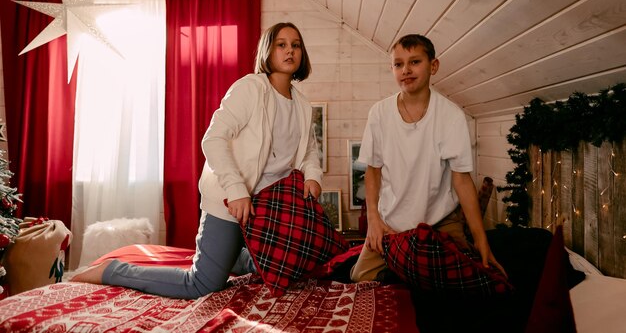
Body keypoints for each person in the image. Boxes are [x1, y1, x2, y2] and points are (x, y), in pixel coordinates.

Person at [71, 22, 324, 298]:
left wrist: (312, 176)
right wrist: (236, 189)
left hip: (269, 210)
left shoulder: (301, 104)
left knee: (292, 266)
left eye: (296, 45)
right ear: (268, 51)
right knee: (202, 285)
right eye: (282, 44)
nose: (290, 51)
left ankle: (234, 257)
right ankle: (112, 270)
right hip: (232, 203)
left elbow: (309, 149)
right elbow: (212, 139)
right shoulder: (250, 89)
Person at [350, 34, 505, 282]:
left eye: (415, 62)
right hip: (393, 224)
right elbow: (373, 171)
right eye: (398, 64)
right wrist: (374, 222)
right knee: (360, 279)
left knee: (462, 279)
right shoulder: (379, 113)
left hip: (440, 221)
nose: (406, 70)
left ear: (433, 66)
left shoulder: (451, 116)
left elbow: (462, 181)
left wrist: (480, 238)